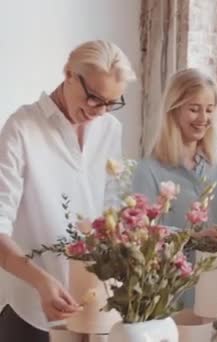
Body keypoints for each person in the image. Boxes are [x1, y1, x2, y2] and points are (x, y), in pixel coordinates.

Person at [0, 40, 136, 341]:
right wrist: (41, 282)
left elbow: (112, 212)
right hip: (30, 308)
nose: (99, 111)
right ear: (68, 73)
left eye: (111, 102)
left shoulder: (109, 129)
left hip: (96, 307)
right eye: (93, 98)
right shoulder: (21, 129)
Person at [132, 68, 217, 319]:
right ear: (173, 109)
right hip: (181, 294)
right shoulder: (149, 171)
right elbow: (141, 235)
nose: (203, 118)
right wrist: (191, 237)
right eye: (194, 108)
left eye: (210, 109)